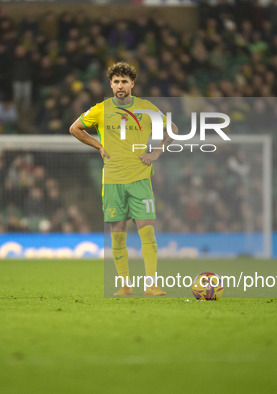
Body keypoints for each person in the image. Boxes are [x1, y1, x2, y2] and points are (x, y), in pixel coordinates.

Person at [69, 62, 177, 296]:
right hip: (112, 181)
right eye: (116, 82)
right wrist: (97, 145)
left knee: (147, 232)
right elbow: (75, 128)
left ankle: (151, 285)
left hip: (140, 179)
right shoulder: (100, 109)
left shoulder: (147, 108)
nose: (120, 86)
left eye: (124, 82)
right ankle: (125, 286)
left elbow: (173, 129)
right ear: (111, 84)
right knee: (117, 232)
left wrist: (156, 152)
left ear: (132, 84)